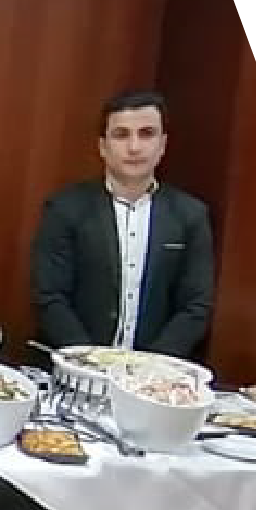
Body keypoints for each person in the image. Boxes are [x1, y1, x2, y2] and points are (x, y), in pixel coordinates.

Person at [31, 88, 214, 359]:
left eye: (147, 134)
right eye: (121, 134)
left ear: (163, 145)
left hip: (157, 374)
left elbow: (196, 306)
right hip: (75, 367)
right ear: (103, 147)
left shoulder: (190, 216)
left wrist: (147, 369)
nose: (134, 147)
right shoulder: (64, 209)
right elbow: (49, 297)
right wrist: (90, 362)